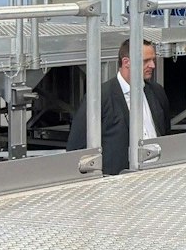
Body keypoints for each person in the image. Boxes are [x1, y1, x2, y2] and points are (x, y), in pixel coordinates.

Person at [66, 39, 171, 175]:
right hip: (118, 184)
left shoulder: (157, 92)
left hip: (156, 177)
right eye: (146, 61)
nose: (152, 65)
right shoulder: (100, 97)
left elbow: (166, 134)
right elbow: (76, 147)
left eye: (153, 60)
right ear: (126, 62)